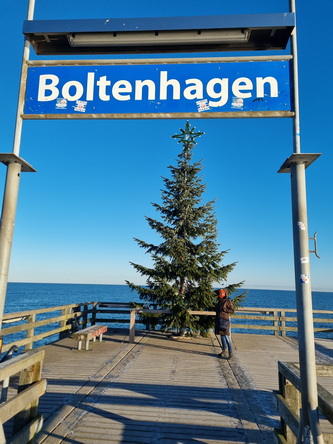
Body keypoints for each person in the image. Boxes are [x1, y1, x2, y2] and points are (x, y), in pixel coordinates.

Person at [215, 288, 235, 359]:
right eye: (220, 293)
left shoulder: (227, 301)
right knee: (222, 336)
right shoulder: (219, 301)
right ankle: (224, 351)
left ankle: (231, 352)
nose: (220, 295)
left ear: (225, 294)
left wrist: (225, 310)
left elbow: (232, 310)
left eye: (222, 293)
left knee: (226, 336)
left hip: (225, 321)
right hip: (219, 320)